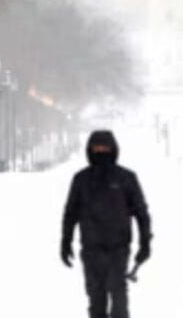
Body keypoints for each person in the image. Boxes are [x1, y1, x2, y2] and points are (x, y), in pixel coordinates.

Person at [61, 130, 152, 318]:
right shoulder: (81, 180)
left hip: (118, 250)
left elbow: (142, 213)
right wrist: (65, 241)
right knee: (96, 303)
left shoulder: (126, 178)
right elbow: (70, 213)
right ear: (89, 150)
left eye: (105, 148)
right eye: (96, 148)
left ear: (113, 150)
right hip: (91, 250)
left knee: (119, 302)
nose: (101, 152)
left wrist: (145, 243)